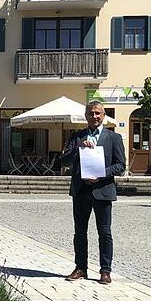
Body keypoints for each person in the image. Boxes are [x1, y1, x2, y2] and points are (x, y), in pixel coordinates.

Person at [60, 100, 126, 285]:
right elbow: (64, 160)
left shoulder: (113, 138)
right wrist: (79, 147)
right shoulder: (77, 137)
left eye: (98, 113)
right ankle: (81, 268)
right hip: (81, 191)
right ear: (86, 116)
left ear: (103, 115)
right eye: (91, 113)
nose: (94, 116)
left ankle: (105, 271)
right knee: (79, 232)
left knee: (104, 233)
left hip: (103, 190)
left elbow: (121, 165)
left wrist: (101, 174)